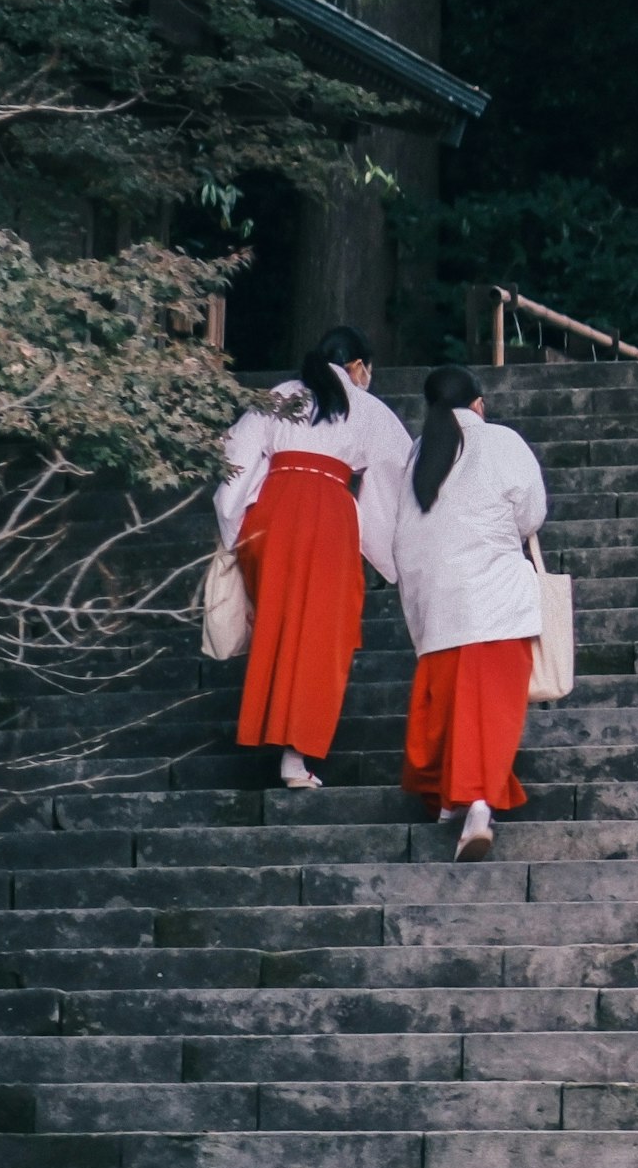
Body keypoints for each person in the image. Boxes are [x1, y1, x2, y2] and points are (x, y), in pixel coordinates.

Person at [364, 365, 551, 860]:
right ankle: (478, 808)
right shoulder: (501, 441)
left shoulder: (419, 456)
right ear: (479, 404)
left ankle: (451, 799)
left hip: (437, 607)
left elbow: (400, 533)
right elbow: (532, 514)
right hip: (493, 601)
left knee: (451, 711)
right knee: (490, 712)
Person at [211, 326, 409, 790]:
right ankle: (295, 754)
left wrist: (233, 525)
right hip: (328, 513)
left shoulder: (280, 394)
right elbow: (397, 472)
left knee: (278, 623)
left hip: (273, 511)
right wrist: (392, 551)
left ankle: (271, 730)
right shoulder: (366, 406)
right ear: (358, 366)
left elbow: (236, 456)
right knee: (321, 633)